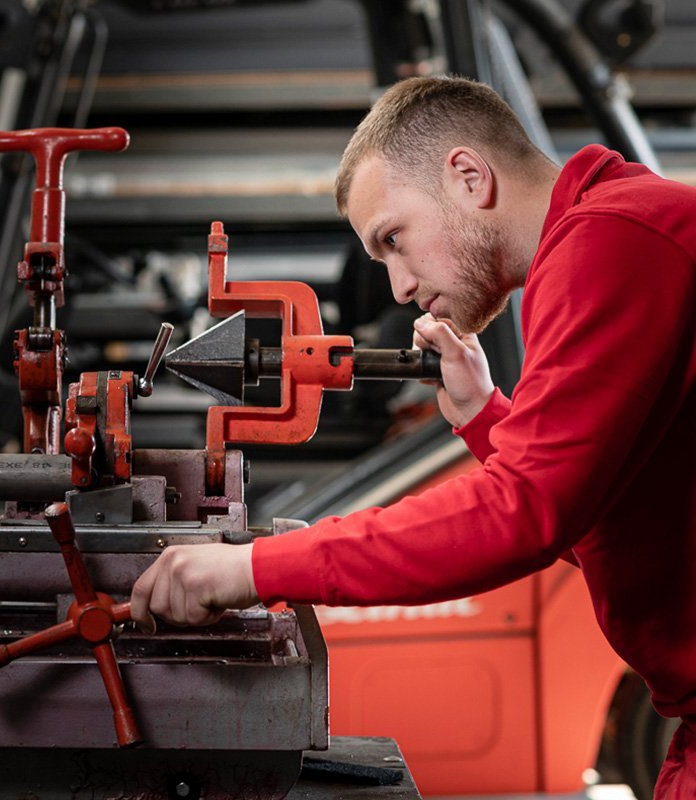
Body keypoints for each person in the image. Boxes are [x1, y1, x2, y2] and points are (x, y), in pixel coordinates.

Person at [130, 75, 696, 799]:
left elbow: (524, 513)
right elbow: (607, 526)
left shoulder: (612, 240)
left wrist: (252, 569)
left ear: (467, 176)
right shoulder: (616, 232)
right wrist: (487, 420)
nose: (398, 286)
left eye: (393, 239)